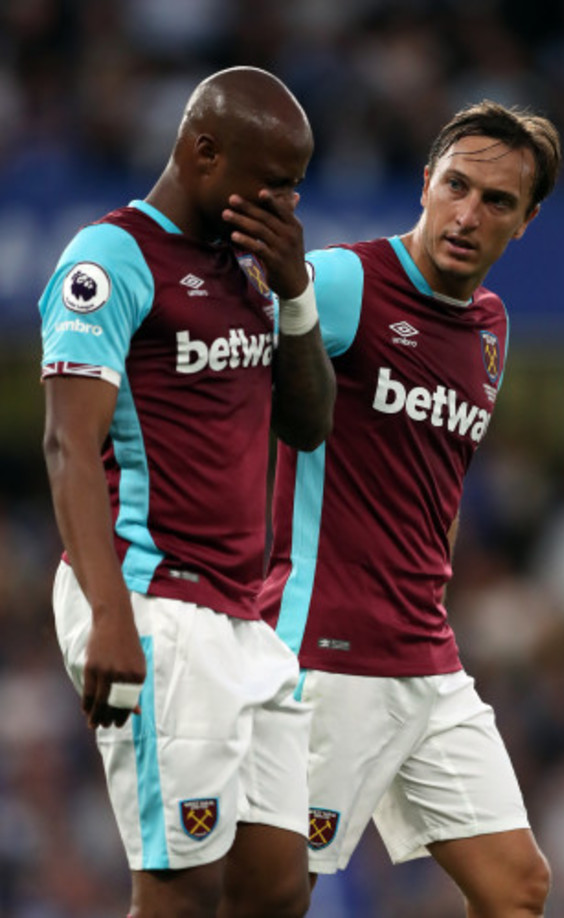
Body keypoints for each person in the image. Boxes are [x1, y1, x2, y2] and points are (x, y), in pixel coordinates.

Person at [39, 66, 335, 918]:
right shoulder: (109, 258)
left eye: (296, 187)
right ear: (204, 152)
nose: (285, 203)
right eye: (272, 181)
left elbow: (308, 425)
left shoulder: (246, 271)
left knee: (277, 889)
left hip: (242, 615)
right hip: (151, 595)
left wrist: (294, 288)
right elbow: (67, 442)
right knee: (179, 890)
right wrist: (109, 615)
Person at [254, 101, 562, 916]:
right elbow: (229, 366)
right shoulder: (349, 281)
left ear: (525, 223)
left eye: (497, 202)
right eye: (456, 185)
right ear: (425, 184)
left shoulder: (491, 328)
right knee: (274, 898)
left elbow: (436, 485)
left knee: (518, 885)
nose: (468, 214)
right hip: (324, 652)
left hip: (425, 655)